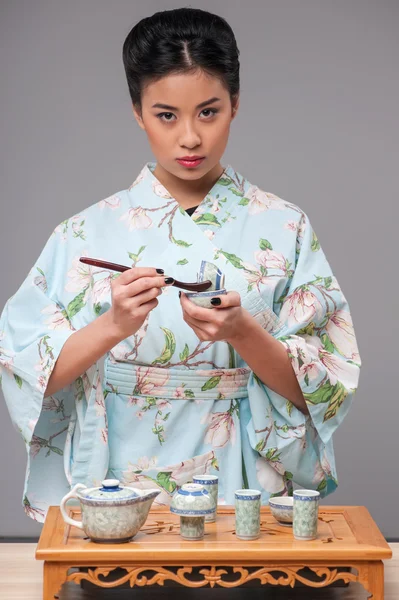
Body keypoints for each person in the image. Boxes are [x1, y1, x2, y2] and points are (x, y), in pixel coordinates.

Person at [0, 7, 360, 522]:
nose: (189, 138)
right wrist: (114, 325)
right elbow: (27, 371)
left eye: (208, 112)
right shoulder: (81, 234)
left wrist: (243, 332)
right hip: (119, 465)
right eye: (166, 115)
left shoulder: (285, 226)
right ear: (137, 112)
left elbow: (328, 380)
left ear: (235, 104)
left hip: (241, 465)